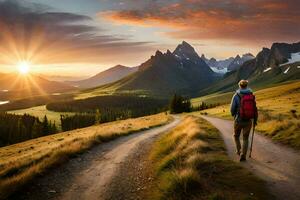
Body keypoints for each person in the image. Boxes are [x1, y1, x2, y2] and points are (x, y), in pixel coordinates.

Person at [230, 80, 258, 161]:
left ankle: (239, 150)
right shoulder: (251, 95)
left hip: (238, 120)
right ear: (247, 86)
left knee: (236, 136)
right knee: (245, 138)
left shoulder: (236, 95)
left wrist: (234, 115)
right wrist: (255, 120)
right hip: (248, 120)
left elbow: (232, 109)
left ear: (239, 86)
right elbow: (255, 108)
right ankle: (243, 154)